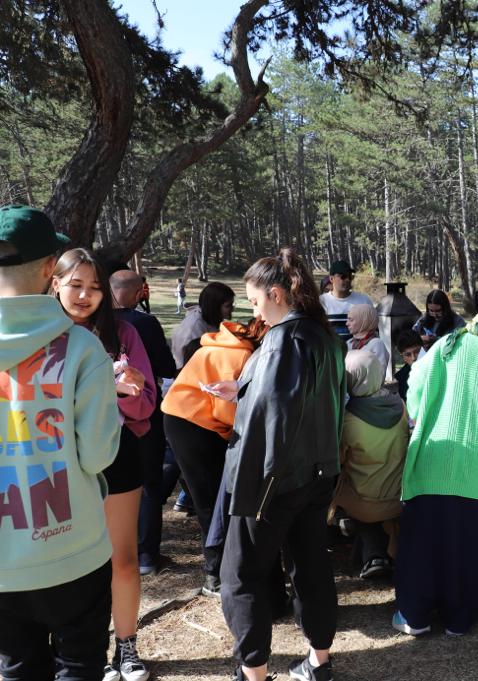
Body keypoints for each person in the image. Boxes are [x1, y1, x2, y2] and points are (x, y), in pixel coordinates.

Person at [0, 205, 120, 681]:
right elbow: (97, 454)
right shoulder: (83, 349)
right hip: (75, 547)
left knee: (16, 669)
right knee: (80, 668)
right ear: (51, 268)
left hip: (4, 561)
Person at [215, 249, 346, 681]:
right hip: (317, 473)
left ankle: (254, 673)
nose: (253, 311)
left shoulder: (282, 340)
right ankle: (319, 662)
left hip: (275, 480)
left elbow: (269, 424)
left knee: (241, 574)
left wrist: (244, 488)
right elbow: (296, 401)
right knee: (311, 566)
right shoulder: (321, 335)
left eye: (254, 302)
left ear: (275, 294)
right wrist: (245, 387)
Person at [393, 300, 478, 637]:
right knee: (465, 545)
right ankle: (459, 618)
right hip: (477, 467)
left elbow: (415, 382)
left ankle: (415, 616)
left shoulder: (446, 345)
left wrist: (419, 411)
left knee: (421, 544)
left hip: (431, 458)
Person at [51, 248, 156, 681]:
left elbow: (149, 402)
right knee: (61, 558)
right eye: (75, 285)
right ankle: (67, 648)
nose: (85, 296)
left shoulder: (123, 333)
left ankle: (126, 648)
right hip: (53, 458)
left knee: (123, 560)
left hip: (115, 456)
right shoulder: (41, 335)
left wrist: (127, 391)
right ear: (54, 283)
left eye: (94, 288)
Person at [161, 318, 266, 598]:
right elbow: (226, 410)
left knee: (208, 496)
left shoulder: (222, 343)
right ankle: (215, 573)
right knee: (211, 499)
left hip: (180, 417)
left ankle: (219, 567)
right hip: (195, 424)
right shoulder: (243, 356)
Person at [109, 270, 177, 577]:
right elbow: (166, 366)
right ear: (139, 293)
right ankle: (147, 553)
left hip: (107, 418)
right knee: (149, 483)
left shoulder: (94, 326)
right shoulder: (144, 323)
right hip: (144, 414)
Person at [331, 350, 409, 580]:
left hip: (364, 503)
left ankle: (373, 552)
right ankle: (382, 550)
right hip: (399, 497)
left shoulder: (347, 420)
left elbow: (337, 461)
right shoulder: (401, 407)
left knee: (341, 488)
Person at [170, 282, 235, 369]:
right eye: (228, 306)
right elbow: (190, 363)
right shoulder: (194, 327)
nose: (232, 309)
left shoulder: (210, 319)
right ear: (214, 306)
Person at [320, 259, 373, 340]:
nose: (347, 280)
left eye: (350, 276)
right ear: (331, 279)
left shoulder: (364, 301)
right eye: (343, 276)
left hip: (359, 351)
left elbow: (373, 332)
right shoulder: (321, 302)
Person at [346, 303, 390, 371]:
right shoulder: (349, 343)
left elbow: (379, 374)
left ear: (364, 321)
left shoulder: (376, 344)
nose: (347, 323)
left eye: (351, 320)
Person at [393, 329, 423, 402]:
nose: (413, 358)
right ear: (402, 356)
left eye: (417, 352)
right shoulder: (400, 377)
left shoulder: (434, 368)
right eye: (408, 354)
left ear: (423, 348)